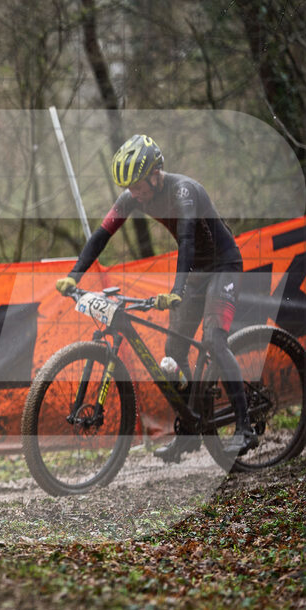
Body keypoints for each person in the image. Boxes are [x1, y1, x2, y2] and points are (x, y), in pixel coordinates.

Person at [55, 134, 257, 462]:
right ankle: (191, 432)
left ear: (155, 173)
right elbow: (101, 236)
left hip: (223, 265)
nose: (134, 193)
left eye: (137, 185)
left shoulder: (184, 191)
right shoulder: (133, 197)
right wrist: (74, 275)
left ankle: (246, 427)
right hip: (196, 272)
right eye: (129, 187)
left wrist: (177, 290)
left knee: (215, 340)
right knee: (174, 353)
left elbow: (188, 241)